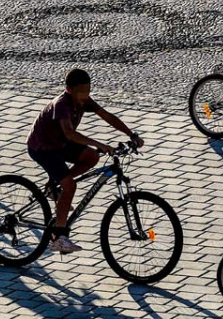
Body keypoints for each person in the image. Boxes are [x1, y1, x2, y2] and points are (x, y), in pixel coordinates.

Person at [27, 68, 143, 254]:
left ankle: (54, 185)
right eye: (82, 92)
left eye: (88, 91)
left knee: (92, 156)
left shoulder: (82, 100)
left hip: (60, 144)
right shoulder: (62, 105)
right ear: (69, 89)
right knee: (70, 186)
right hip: (43, 148)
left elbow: (106, 116)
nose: (85, 96)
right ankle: (59, 237)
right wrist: (100, 143)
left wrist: (131, 134)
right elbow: (70, 133)